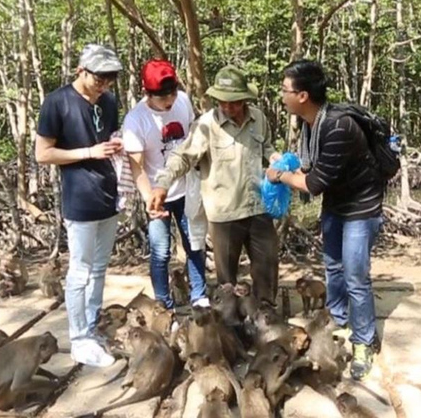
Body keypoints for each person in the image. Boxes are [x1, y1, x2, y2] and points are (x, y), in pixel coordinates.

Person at [266, 59, 384, 380]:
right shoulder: (309, 123)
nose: (282, 95)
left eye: (285, 90)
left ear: (302, 95)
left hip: (362, 207)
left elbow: (312, 184)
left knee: (356, 275)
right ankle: (337, 317)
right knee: (333, 265)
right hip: (337, 204)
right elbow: (309, 169)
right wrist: (287, 166)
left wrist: (279, 176)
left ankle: (363, 341)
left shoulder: (337, 127)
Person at [150, 66, 281, 304]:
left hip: (259, 207)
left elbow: (267, 147)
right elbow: (183, 156)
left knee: (267, 273)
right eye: (222, 102)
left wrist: (275, 159)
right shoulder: (206, 125)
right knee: (227, 286)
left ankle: (267, 323)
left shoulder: (258, 118)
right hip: (224, 215)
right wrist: (162, 185)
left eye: (234, 102)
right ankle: (231, 331)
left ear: (244, 99)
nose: (228, 108)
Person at [35, 43, 123, 368]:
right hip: (79, 199)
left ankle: (92, 329)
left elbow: (108, 137)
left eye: (109, 80)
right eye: (98, 79)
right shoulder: (57, 103)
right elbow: (42, 153)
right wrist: (87, 152)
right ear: (81, 71)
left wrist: (116, 145)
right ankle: (78, 338)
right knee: (80, 272)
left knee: (100, 269)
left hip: (109, 195)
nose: (104, 86)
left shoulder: (109, 101)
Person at [122, 59, 209, 309]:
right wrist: (149, 198)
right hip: (156, 194)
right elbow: (136, 165)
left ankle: (199, 295)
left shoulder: (182, 100)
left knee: (195, 242)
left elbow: (193, 134)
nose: (169, 101)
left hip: (186, 189)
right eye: (162, 97)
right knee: (161, 252)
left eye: (172, 93)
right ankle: (163, 304)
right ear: (146, 93)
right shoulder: (136, 120)